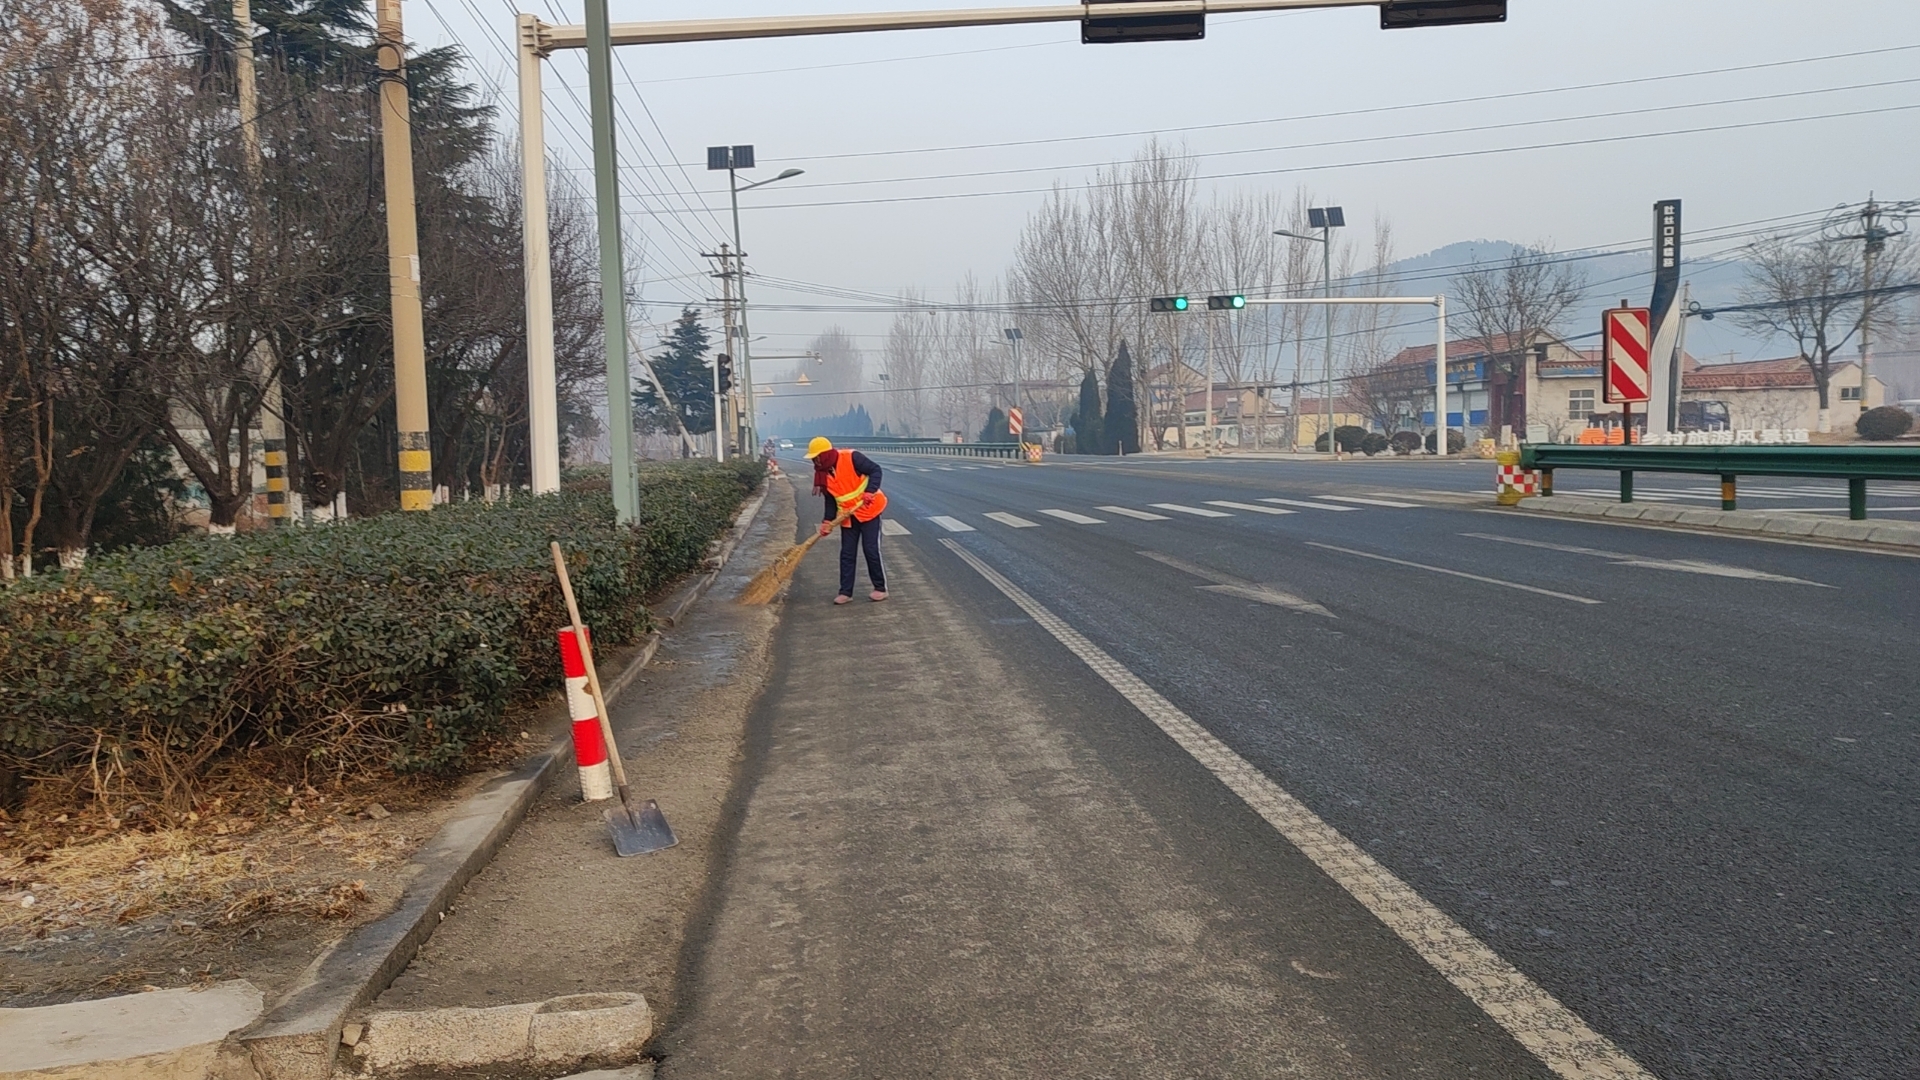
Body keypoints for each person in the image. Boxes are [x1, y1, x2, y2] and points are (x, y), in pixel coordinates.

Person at [804, 437, 887, 604]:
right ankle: (845, 592)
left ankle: (880, 588)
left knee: (870, 549)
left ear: (825, 455)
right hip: (848, 516)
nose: (815, 461)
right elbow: (830, 500)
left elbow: (876, 470)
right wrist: (827, 521)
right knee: (847, 554)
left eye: (816, 457)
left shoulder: (852, 457)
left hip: (869, 510)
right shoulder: (823, 474)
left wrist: (870, 491)